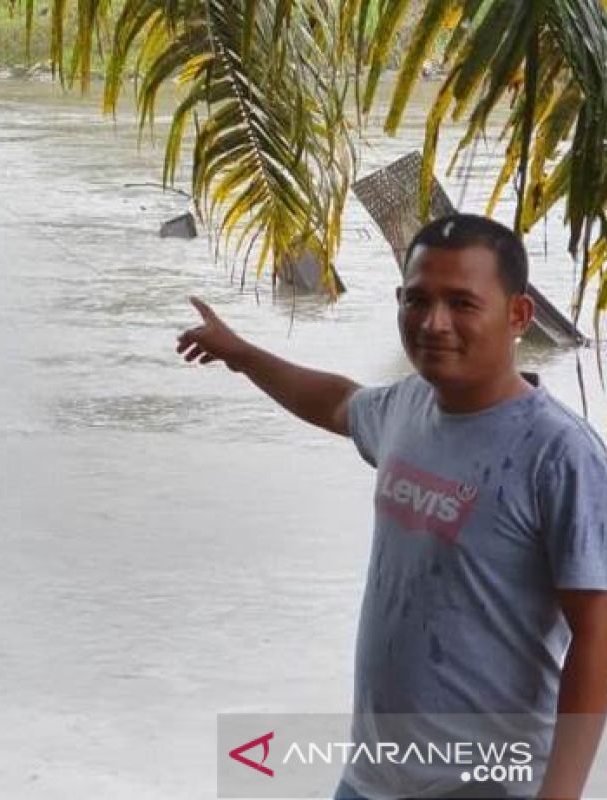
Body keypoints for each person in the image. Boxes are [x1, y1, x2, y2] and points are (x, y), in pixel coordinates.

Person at [178, 214, 607, 800]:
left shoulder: (558, 455)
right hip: (371, 776)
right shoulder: (409, 407)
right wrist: (243, 354)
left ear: (518, 315)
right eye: (416, 300)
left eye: (462, 303)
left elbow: (596, 634)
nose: (433, 323)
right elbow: (337, 403)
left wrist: (562, 794)